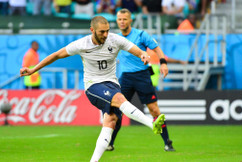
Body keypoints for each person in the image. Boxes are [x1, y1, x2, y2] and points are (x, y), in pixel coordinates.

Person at [20, 16, 165, 162]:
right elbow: (56, 55)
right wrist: (33, 70)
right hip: (93, 86)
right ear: (92, 30)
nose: (105, 35)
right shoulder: (82, 44)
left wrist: (143, 54)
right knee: (120, 100)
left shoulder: (114, 39)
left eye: (107, 31)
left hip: (112, 84)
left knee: (111, 121)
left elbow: (134, 48)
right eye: (102, 32)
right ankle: (151, 124)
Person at [106, 8, 175, 152]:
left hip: (142, 76)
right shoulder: (116, 39)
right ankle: (110, 143)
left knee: (154, 110)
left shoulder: (141, 35)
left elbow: (157, 49)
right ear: (117, 21)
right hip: (125, 79)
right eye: (120, 19)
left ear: (130, 20)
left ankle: (167, 142)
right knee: (117, 112)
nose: (122, 22)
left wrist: (163, 63)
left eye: (125, 19)